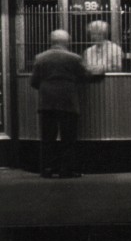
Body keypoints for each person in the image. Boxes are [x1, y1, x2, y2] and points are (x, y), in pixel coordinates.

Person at [30, 29, 92, 178]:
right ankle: (67, 170)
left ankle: (47, 169)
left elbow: (34, 82)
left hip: (46, 102)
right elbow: (85, 76)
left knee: (47, 138)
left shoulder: (40, 58)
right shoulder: (74, 58)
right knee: (68, 138)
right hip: (68, 101)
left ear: (52, 41)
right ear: (67, 41)